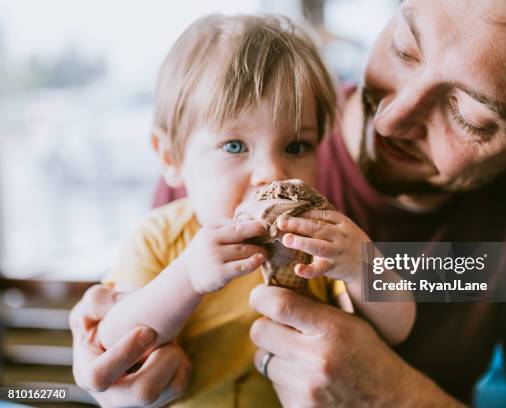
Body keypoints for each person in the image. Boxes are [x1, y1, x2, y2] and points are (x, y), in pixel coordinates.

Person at [70, 0, 506, 406]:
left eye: (468, 114)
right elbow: (132, 342)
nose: (391, 119)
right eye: (405, 48)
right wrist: (119, 371)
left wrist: (394, 394)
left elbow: (397, 317)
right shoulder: (213, 163)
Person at [74, 13, 415, 407]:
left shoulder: (315, 240)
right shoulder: (160, 235)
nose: (271, 173)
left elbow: (398, 327)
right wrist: (188, 277)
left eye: (296, 147)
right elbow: (114, 340)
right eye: (235, 146)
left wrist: (359, 265)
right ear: (170, 157)